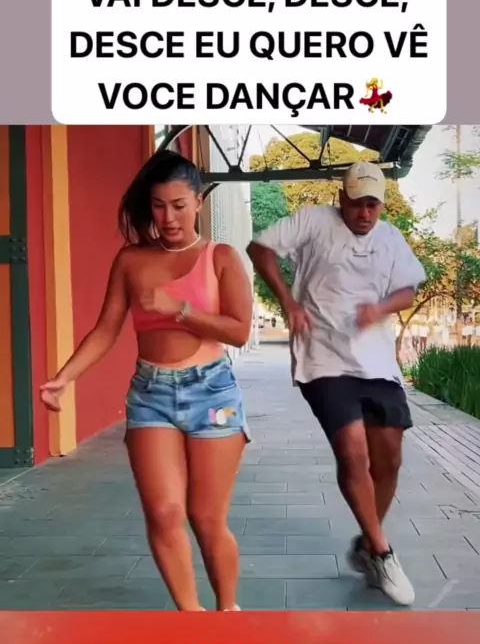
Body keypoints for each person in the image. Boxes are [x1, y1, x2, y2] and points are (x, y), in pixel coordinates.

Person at [40, 150, 253, 612]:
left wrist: (180, 310)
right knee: (163, 512)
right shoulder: (131, 260)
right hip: (151, 394)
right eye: (158, 206)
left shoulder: (221, 257)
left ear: (199, 202)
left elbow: (239, 331)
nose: (168, 217)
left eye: (179, 205)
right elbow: (106, 329)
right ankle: (190, 618)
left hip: (212, 392)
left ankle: (228, 613)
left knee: (206, 517)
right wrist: (64, 379)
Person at [247, 161, 426, 607]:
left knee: (390, 459)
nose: (364, 213)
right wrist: (288, 302)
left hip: (377, 362)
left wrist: (380, 308)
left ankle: (366, 543)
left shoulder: (390, 239)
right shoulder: (313, 222)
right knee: (353, 451)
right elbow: (259, 248)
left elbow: (408, 290)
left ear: (381, 205)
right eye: (356, 203)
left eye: (372, 205)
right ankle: (382, 553)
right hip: (322, 357)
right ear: (341, 198)